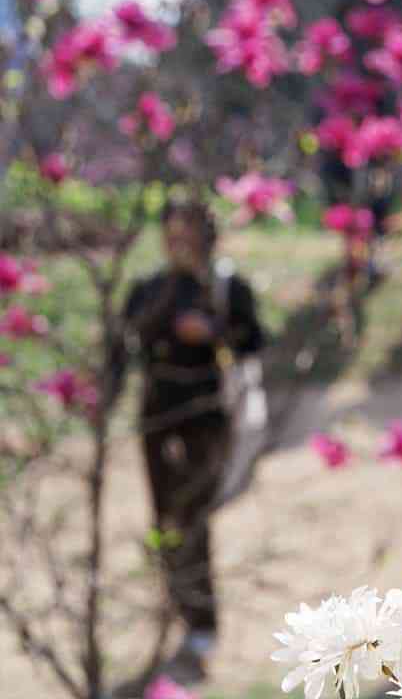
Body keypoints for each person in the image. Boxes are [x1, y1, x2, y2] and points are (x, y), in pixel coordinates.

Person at [114, 199, 265, 684]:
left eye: (188, 234)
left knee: (194, 516)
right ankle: (174, 610)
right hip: (157, 415)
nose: (179, 244)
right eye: (171, 234)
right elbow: (121, 347)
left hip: (206, 415)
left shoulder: (226, 287)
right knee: (164, 518)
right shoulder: (148, 289)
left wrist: (215, 331)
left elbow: (255, 340)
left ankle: (202, 623)